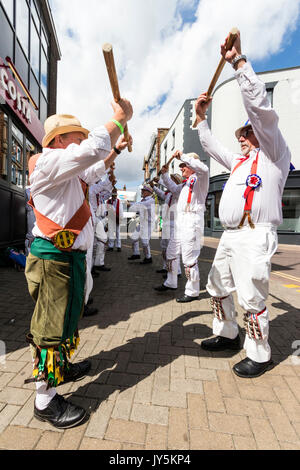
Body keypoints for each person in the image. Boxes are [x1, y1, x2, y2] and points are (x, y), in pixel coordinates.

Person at [24, 99, 133, 429]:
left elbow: (94, 167)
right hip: (53, 261)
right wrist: (118, 119)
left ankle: (63, 366)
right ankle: (45, 400)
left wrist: (116, 147)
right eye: (77, 135)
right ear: (58, 140)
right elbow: (90, 153)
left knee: (68, 318)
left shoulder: (64, 171)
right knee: (50, 329)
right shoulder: (46, 163)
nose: (82, 140)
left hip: (67, 260)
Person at [195, 30, 291, 378]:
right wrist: (200, 118)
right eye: (240, 134)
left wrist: (238, 63)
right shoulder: (238, 162)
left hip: (256, 234)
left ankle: (260, 353)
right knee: (217, 284)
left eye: (246, 133)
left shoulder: (275, 154)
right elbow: (211, 147)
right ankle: (227, 333)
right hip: (231, 235)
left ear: (259, 135)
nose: (241, 137)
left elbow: (261, 112)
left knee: (252, 295)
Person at [156, 151, 209, 302]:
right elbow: (173, 189)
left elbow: (204, 169)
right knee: (171, 252)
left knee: (189, 257)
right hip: (181, 222)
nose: (181, 168)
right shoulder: (186, 183)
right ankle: (171, 282)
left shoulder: (201, 178)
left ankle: (193, 292)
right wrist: (165, 175)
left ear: (192, 165)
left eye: (184, 166)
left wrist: (184, 157)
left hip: (192, 221)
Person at [151, 174, 182, 281]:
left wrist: (160, 180)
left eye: (173, 180)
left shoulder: (179, 193)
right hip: (166, 223)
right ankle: (166, 267)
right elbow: (161, 193)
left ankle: (176, 271)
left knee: (172, 249)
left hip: (174, 223)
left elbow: (171, 186)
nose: (170, 182)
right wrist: (154, 187)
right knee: (164, 247)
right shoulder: (169, 194)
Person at [128, 185, 155, 264]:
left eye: (143, 191)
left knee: (145, 241)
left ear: (148, 193)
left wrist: (131, 204)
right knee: (134, 238)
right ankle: (136, 253)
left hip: (149, 224)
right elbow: (138, 204)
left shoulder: (150, 201)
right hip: (143, 223)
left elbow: (139, 205)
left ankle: (148, 257)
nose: (142, 192)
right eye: (142, 190)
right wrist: (131, 203)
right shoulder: (143, 200)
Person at [107, 187, 124, 251]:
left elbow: (121, 211)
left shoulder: (119, 202)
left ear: (116, 195)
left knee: (117, 232)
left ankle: (118, 246)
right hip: (111, 218)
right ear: (111, 195)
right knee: (111, 232)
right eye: (113, 195)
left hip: (117, 218)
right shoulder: (108, 201)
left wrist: (120, 219)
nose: (114, 196)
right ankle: (110, 246)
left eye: (115, 195)